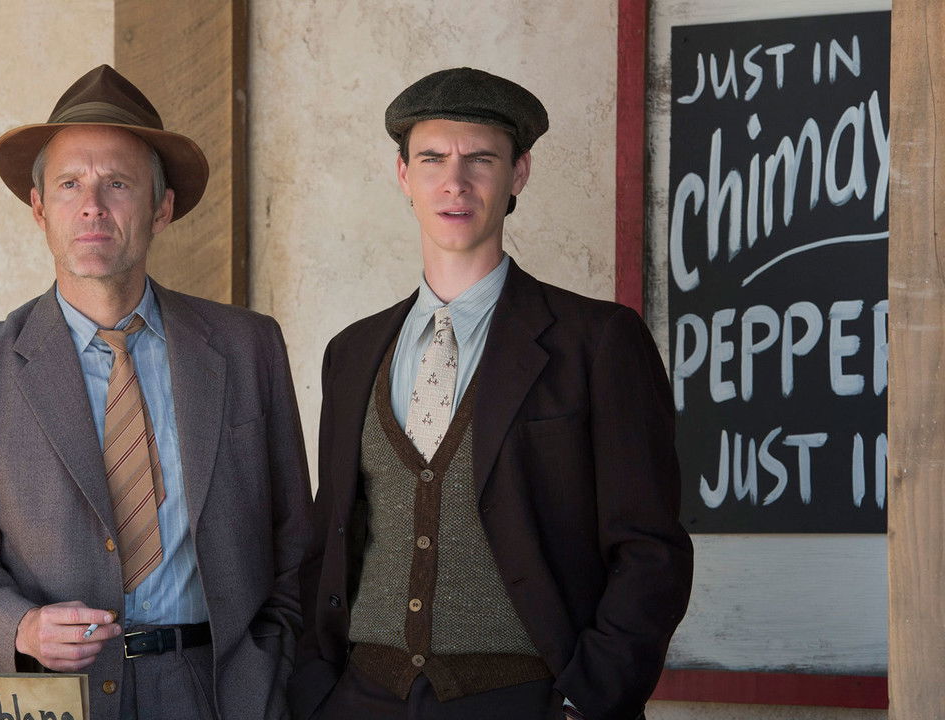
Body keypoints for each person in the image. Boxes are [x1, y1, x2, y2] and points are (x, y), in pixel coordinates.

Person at [289, 67, 693, 720]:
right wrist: (315, 690)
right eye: (432, 159)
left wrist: (588, 700)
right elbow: (329, 538)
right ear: (404, 177)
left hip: (526, 699)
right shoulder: (352, 351)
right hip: (362, 697)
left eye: (480, 159)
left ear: (518, 174)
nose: (455, 182)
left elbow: (651, 551)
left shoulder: (598, 341)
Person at [0, 65, 312, 720]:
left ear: (161, 209)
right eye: (70, 184)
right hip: (52, 696)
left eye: (118, 183)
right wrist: (20, 629)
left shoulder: (248, 348)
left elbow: (296, 542)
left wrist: (269, 671)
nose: (92, 205)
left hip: (216, 692)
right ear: (39, 209)